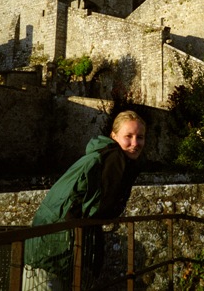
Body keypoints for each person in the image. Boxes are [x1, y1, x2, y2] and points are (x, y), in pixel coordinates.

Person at [22, 110, 146, 290]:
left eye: (140, 137)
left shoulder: (102, 156)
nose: (135, 143)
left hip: (50, 245)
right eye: (128, 136)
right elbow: (103, 207)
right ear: (113, 136)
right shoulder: (113, 159)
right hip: (54, 250)